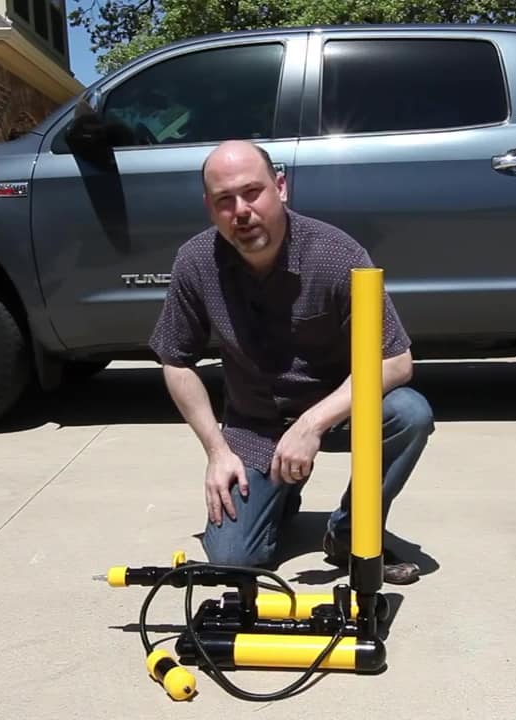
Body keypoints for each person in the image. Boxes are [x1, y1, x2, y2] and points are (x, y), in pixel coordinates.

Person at [148, 140, 434, 585]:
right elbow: (175, 360)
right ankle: (278, 495)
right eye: (225, 200)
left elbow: (396, 362)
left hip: (337, 412)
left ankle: (350, 531)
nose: (241, 210)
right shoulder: (196, 261)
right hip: (253, 425)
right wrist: (216, 452)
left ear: (280, 187)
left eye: (252, 192)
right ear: (209, 207)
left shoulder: (338, 255)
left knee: (409, 413)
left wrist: (311, 425)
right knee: (234, 559)